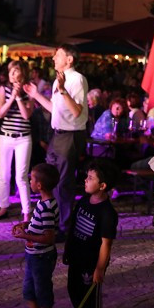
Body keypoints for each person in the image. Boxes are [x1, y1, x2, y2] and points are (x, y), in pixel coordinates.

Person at [24, 45, 87, 237]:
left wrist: (62, 90)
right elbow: (54, 108)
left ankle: (64, 228)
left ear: (69, 60)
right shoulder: (59, 80)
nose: (54, 58)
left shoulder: (76, 79)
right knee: (52, 179)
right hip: (58, 133)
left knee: (63, 182)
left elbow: (76, 111)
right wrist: (35, 96)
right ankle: (53, 222)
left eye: (58, 55)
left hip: (70, 135)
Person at [63, 160, 119, 308]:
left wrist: (100, 268)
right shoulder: (84, 201)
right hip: (76, 257)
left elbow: (106, 244)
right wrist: (68, 250)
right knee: (74, 289)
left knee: (90, 295)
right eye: (87, 177)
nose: (85, 180)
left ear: (102, 186)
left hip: (91, 262)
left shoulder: (107, 213)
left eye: (90, 178)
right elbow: (73, 227)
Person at [13, 163, 60, 308]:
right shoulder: (42, 203)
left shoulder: (47, 207)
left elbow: (49, 237)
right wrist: (25, 225)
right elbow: (38, 225)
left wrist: (25, 235)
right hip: (33, 256)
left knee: (42, 293)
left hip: (42, 257)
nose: (30, 181)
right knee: (29, 291)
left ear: (39, 185)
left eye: (32, 179)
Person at [0, 59, 34, 221]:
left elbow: (26, 115)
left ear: (22, 74)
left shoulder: (30, 90)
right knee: (3, 175)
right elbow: (0, 113)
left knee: (21, 176)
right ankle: (3, 207)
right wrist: (11, 97)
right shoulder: (3, 89)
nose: (11, 75)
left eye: (15, 72)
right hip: (5, 137)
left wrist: (18, 97)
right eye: (10, 72)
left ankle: (27, 211)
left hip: (24, 138)